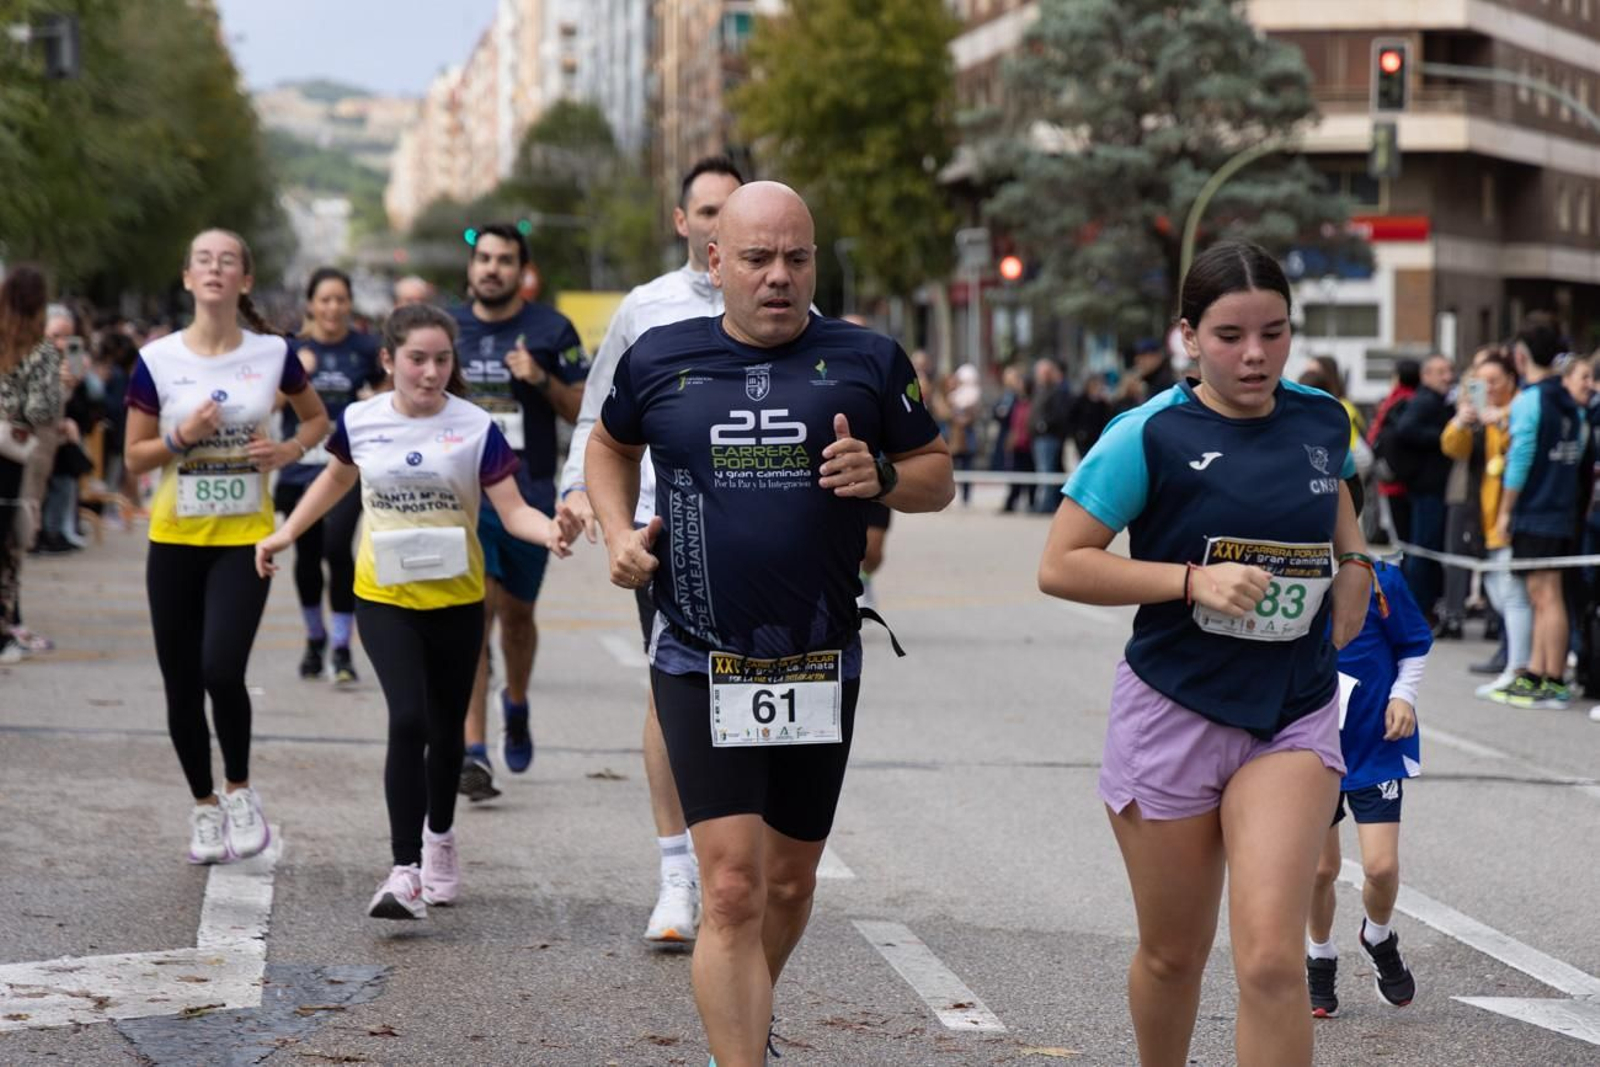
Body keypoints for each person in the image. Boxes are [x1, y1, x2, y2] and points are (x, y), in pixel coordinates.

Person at [585, 181, 953, 1067]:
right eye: (757, 258)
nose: (778, 275)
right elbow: (607, 444)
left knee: (788, 883)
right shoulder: (660, 356)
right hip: (698, 651)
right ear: (716, 263)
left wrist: (884, 477)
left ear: (815, 262)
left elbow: (936, 472)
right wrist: (616, 532)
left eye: (796, 257)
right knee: (731, 887)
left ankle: (747, 1018)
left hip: (819, 657)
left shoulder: (868, 358)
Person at [1038, 240, 1373, 1067]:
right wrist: (1192, 582)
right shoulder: (1147, 434)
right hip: (1174, 709)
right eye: (1229, 335)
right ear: (1188, 335)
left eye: (1273, 332)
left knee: (1271, 961)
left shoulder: (1323, 420)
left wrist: (1358, 566)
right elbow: (1062, 563)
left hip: (1291, 712)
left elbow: (1339, 502)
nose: (1255, 354)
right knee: (1173, 954)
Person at [257, 304, 577, 918]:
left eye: (442, 360)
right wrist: (285, 533)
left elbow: (512, 509)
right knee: (408, 719)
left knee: (447, 732)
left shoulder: (475, 426)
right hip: (385, 597)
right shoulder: (361, 421)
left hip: (457, 600)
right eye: (417, 360)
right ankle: (404, 869)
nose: (430, 372)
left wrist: (550, 532)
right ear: (388, 360)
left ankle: (440, 839)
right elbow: (336, 480)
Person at [559, 155, 743, 944]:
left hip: (762, 532)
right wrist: (579, 494)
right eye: (707, 212)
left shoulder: (784, 303)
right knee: (673, 692)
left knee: (758, 692)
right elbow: (597, 420)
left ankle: (744, 860)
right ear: (682, 222)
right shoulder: (647, 308)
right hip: (666, 532)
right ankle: (677, 874)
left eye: (733, 210)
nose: (719, 225)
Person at [124, 229, 329, 864]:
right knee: (181, 683)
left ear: (245, 279)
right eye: (204, 261)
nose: (215, 269)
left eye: (228, 260)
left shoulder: (273, 354)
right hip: (175, 538)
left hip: (245, 540)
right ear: (188, 277)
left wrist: (288, 450)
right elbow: (134, 458)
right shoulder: (156, 360)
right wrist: (180, 437)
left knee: (221, 669)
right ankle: (204, 807)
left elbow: (318, 419)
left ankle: (239, 791)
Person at [451, 224, 589, 799]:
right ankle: (474, 752)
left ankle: (516, 702)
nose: (492, 268)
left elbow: (583, 408)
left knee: (516, 618)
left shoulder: (552, 329)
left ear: (522, 271)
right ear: (471, 267)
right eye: (483, 258)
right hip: (464, 495)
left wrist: (541, 378)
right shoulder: (448, 326)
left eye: (504, 260)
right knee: (476, 615)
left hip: (527, 493)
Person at [1307, 557, 1431, 1018]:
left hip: (1375, 744)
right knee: (1320, 870)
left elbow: (1414, 642)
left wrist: (1403, 696)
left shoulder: (1380, 579)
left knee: (1381, 867)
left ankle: (1377, 935)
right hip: (1309, 744)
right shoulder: (1289, 574)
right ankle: (1319, 954)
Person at [275, 268, 383, 686]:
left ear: (350, 304)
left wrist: (375, 398)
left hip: (346, 468)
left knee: (337, 549)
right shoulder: (293, 349)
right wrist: (295, 377)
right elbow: (269, 404)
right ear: (311, 305)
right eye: (325, 300)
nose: (333, 308)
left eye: (340, 299)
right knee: (307, 555)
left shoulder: (366, 348)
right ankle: (314, 637)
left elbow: (392, 397)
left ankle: (341, 646)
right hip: (300, 467)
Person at [1495, 325, 1589, 709]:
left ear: (1521, 357)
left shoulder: (1530, 400)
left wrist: (1505, 510)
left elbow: (1520, 459)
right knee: (1544, 594)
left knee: (1546, 595)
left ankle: (1552, 679)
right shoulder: (1568, 400)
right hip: (1563, 506)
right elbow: (1580, 449)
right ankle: (1537, 671)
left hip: (1536, 508)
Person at [1440, 353, 1528, 697]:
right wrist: (1462, 421)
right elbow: (1452, 447)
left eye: (1494, 381)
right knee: (1499, 593)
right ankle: (1511, 659)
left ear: (1511, 379)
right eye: (1481, 382)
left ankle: (1517, 665)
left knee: (1513, 597)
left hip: (1511, 517)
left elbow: (1518, 457)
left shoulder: (1521, 409)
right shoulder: (1478, 414)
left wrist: (1502, 420)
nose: (1487, 388)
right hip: (1483, 518)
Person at [0, 266, 63, 664]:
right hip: (16, 456)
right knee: (11, 542)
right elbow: (41, 409)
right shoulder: (42, 352)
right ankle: (5, 631)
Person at [1391, 354, 1456, 627]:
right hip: (1427, 487)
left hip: (1431, 487)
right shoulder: (1425, 401)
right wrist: (1443, 437)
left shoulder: (1439, 401)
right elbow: (1406, 429)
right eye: (1440, 372)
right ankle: (1418, 609)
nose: (1448, 377)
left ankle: (1421, 607)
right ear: (1426, 375)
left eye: (1449, 371)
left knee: (1426, 548)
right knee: (1423, 550)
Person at [1367, 360, 1421, 544]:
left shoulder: (1394, 402)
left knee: (1401, 538)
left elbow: (1375, 437)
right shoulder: (1417, 400)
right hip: (1412, 479)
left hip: (1393, 480)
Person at [1030, 357, 1071, 512]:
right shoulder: (1039, 390)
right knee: (1043, 471)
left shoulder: (1056, 391)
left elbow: (1058, 415)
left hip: (1048, 437)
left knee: (1046, 471)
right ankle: (1044, 503)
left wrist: (1043, 426)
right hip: (1038, 437)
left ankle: (1044, 505)